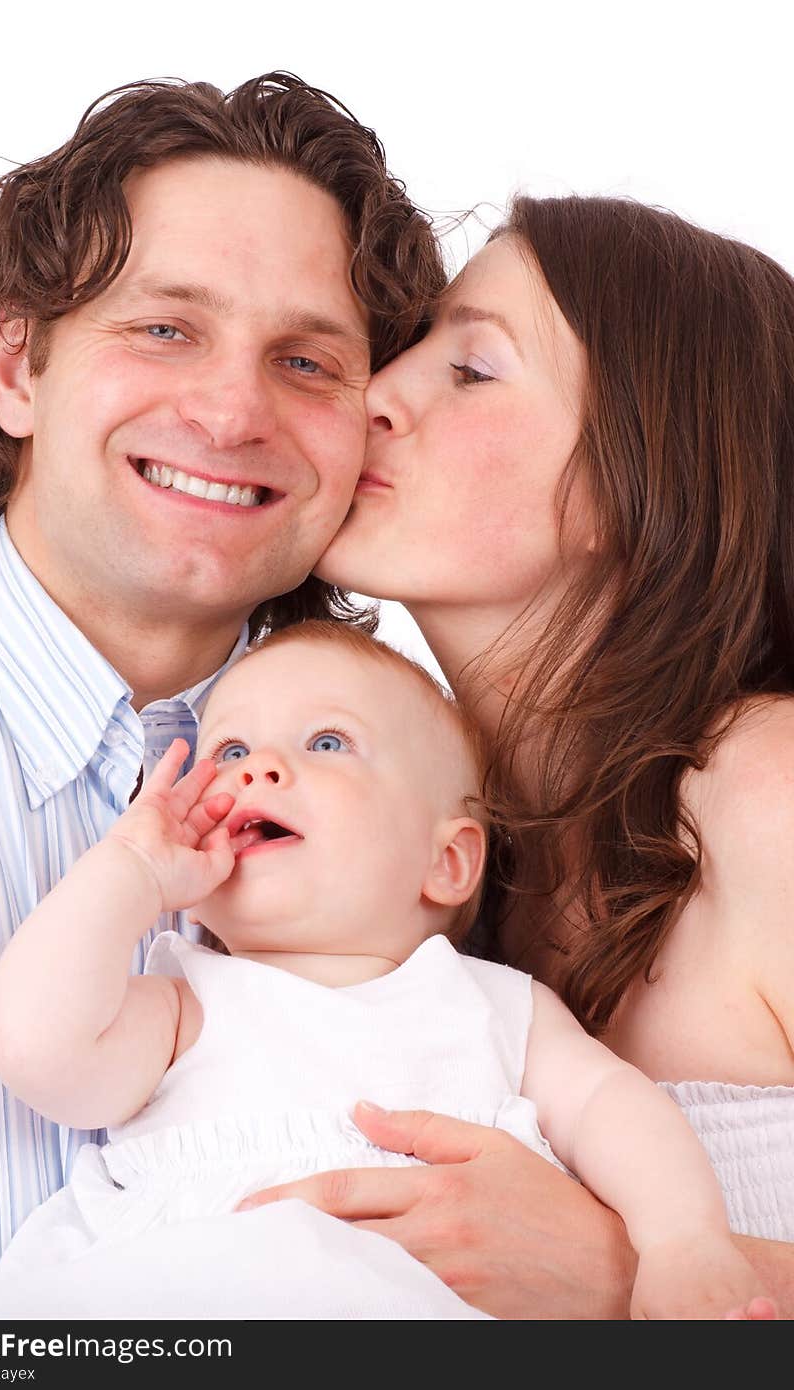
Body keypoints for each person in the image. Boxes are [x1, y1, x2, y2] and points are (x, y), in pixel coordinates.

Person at [0, 73, 444, 1319]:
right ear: (14, 366)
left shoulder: (440, 794)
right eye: (164, 328)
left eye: (305, 360)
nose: (230, 410)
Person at [240, 195, 794, 1318]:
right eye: (411, 350)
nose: (376, 395)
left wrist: (619, 1271)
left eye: (472, 369)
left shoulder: (765, 794)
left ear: (640, 477)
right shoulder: (411, 843)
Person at [0, 622, 774, 1320]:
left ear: (448, 861)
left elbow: (616, 1110)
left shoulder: (494, 1008)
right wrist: (132, 870)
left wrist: (681, 1242)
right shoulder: (187, 1007)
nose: (257, 768)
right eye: (230, 749)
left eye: (327, 742)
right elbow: (37, 1050)